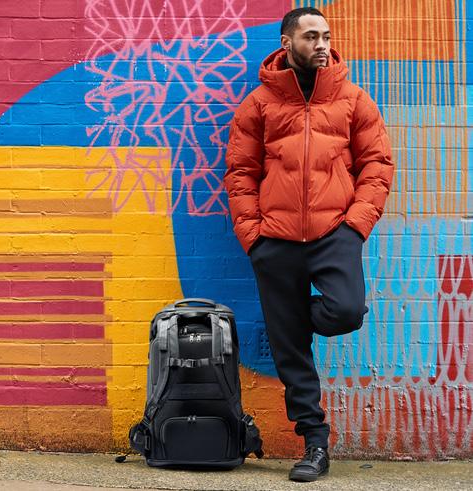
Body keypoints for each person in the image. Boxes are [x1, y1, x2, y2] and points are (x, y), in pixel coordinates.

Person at [224, 7, 394, 482]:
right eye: (311, 37)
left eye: (326, 36)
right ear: (287, 43)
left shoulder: (353, 100)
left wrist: (355, 226)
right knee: (291, 352)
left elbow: (377, 165)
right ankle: (315, 444)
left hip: (333, 234)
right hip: (274, 241)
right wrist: (253, 237)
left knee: (347, 311)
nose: (322, 45)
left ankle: (295, 319)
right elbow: (241, 173)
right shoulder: (259, 104)